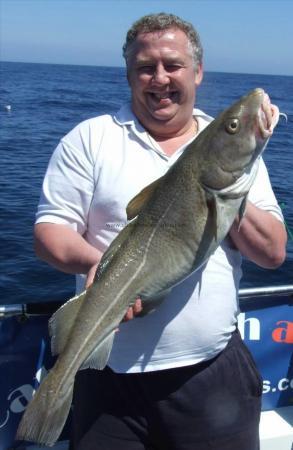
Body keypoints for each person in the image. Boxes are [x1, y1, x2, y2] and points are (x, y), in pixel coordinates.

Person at [34, 13, 287, 450]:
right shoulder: (90, 139)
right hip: (109, 380)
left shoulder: (232, 164)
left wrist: (226, 189)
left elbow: (273, 254)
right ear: (129, 74)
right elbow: (49, 232)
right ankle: (51, 399)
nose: (160, 78)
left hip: (211, 375)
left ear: (198, 72)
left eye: (173, 65)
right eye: (146, 67)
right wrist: (99, 264)